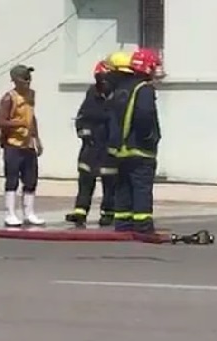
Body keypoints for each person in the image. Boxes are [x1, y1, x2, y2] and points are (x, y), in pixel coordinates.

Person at [106, 47, 162, 234]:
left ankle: (123, 224)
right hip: (140, 148)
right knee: (141, 187)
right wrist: (149, 137)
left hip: (121, 150)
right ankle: (143, 225)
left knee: (123, 186)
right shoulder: (144, 89)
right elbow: (145, 114)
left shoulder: (121, 88)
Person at [65, 59, 118, 227]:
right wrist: (85, 134)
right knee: (85, 180)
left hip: (109, 146)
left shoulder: (118, 95)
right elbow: (82, 118)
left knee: (110, 181)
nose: (103, 82)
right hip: (91, 146)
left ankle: (108, 213)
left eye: (106, 78)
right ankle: (80, 212)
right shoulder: (92, 94)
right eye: (100, 78)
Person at [0, 64, 44, 227]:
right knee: (12, 178)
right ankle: (10, 213)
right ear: (15, 80)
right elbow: (1, 121)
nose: (28, 82)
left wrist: (37, 138)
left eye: (29, 79)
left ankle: (29, 212)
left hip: (28, 144)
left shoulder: (31, 95)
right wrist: (18, 123)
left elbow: (32, 117)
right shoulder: (9, 98)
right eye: (24, 79)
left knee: (31, 179)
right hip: (13, 144)